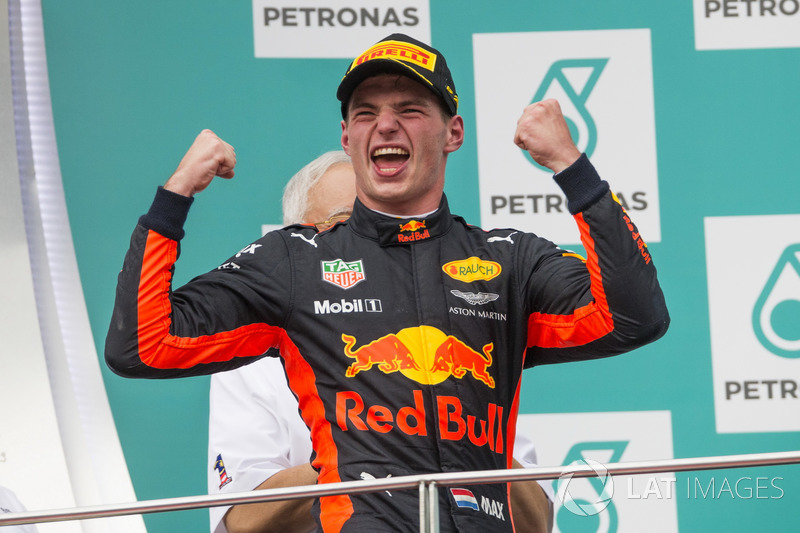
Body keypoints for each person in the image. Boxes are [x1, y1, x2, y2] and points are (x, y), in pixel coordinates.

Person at [106, 33, 669, 532]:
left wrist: (572, 168)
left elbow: (635, 316)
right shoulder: (294, 260)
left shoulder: (509, 260)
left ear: (454, 133)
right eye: (367, 111)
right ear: (348, 134)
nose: (386, 124)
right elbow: (142, 346)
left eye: (409, 108)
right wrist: (173, 198)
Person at [207, 152, 554, 533]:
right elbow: (243, 518)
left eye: (389, 224)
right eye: (345, 225)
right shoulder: (257, 359)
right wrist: (371, 453)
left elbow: (537, 520)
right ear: (296, 244)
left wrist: (455, 447)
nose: (373, 241)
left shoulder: (453, 336)